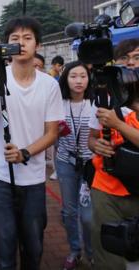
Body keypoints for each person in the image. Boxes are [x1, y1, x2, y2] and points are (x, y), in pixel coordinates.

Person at [0, 17, 64, 270]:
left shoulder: (48, 85)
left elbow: (51, 133)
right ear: (5, 45)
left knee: (33, 248)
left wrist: (25, 152)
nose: (21, 44)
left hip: (34, 180)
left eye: (27, 38)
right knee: (4, 248)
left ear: (37, 44)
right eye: (15, 39)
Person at [88, 39, 139, 269]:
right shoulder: (103, 96)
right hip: (106, 188)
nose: (130, 63)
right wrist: (96, 146)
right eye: (124, 58)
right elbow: (91, 138)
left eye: (137, 57)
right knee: (107, 253)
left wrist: (118, 124)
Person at [55, 61, 93, 269]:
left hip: (91, 164)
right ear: (66, 79)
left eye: (83, 76)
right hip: (65, 161)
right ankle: (75, 250)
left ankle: (90, 252)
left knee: (88, 216)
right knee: (69, 211)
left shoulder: (97, 102)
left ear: (89, 79)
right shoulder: (58, 102)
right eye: (73, 76)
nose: (78, 81)